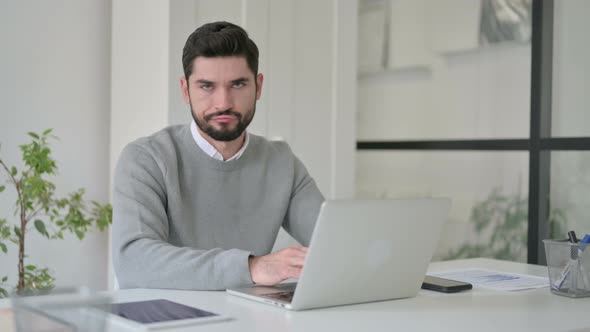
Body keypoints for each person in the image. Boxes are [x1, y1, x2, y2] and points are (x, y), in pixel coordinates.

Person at [112, 21, 325, 290]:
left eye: (237, 84)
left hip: (250, 318)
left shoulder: (282, 162)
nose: (223, 102)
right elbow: (132, 262)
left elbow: (331, 245)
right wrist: (252, 267)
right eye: (206, 86)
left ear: (258, 87)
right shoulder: (146, 159)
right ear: (185, 90)